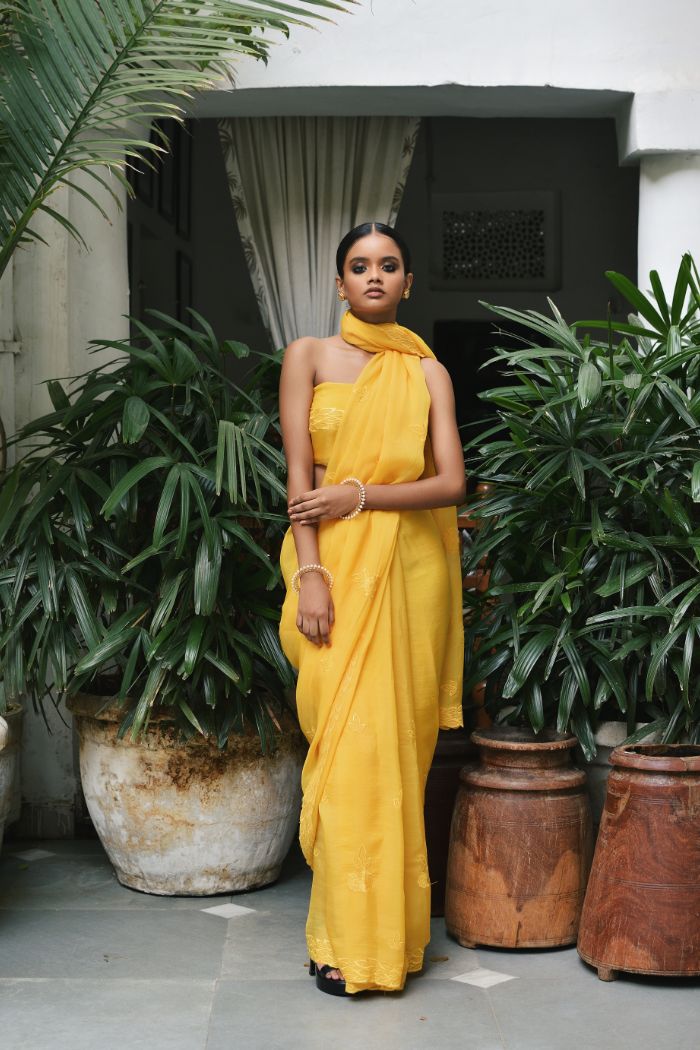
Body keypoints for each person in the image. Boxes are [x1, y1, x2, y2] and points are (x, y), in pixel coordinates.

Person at [278, 221, 465, 997]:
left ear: (409, 282)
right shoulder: (308, 357)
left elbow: (451, 482)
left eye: (390, 265)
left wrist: (360, 494)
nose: (376, 277)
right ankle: (345, 936)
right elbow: (299, 478)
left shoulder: (427, 373)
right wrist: (310, 575)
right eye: (360, 266)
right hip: (328, 564)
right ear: (339, 282)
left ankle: (381, 942)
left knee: (390, 760)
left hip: (409, 570)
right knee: (345, 747)